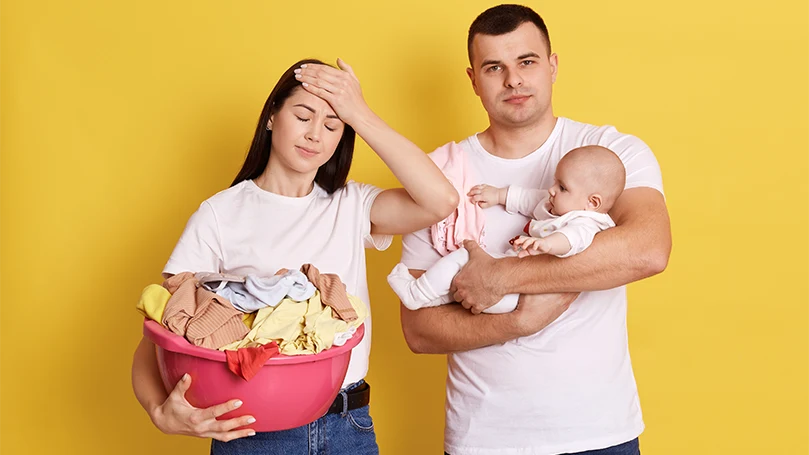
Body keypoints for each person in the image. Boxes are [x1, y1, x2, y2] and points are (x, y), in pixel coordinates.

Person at [131, 57, 459, 454]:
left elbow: (441, 201)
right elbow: (160, 333)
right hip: (253, 433)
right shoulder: (220, 214)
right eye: (303, 116)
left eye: (333, 124)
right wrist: (159, 411)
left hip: (347, 425)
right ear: (272, 116)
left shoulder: (351, 205)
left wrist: (360, 113)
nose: (315, 135)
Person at [398, 5, 671, 455]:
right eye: (494, 67)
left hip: (600, 434)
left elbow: (647, 251)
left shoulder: (610, 152)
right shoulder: (437, 175)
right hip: (483, 439)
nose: (513, 80)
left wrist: (503, 277)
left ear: (553, 66)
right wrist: (521, 321)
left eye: (526, 62)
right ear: (472, 80)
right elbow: (419, 330)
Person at [388, 145, 625, 314]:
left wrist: (548, 244)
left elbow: (574, 240)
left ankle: (416, 293)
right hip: (506, 276)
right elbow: (528, 198)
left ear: (592, 203)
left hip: (515, 292)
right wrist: (498, 195)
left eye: (562, 187)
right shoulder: (556, 205)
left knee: (464, 257)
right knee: (467, 277)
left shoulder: (586, 222)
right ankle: (431, 299)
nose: (552, 190)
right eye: (555, 182)